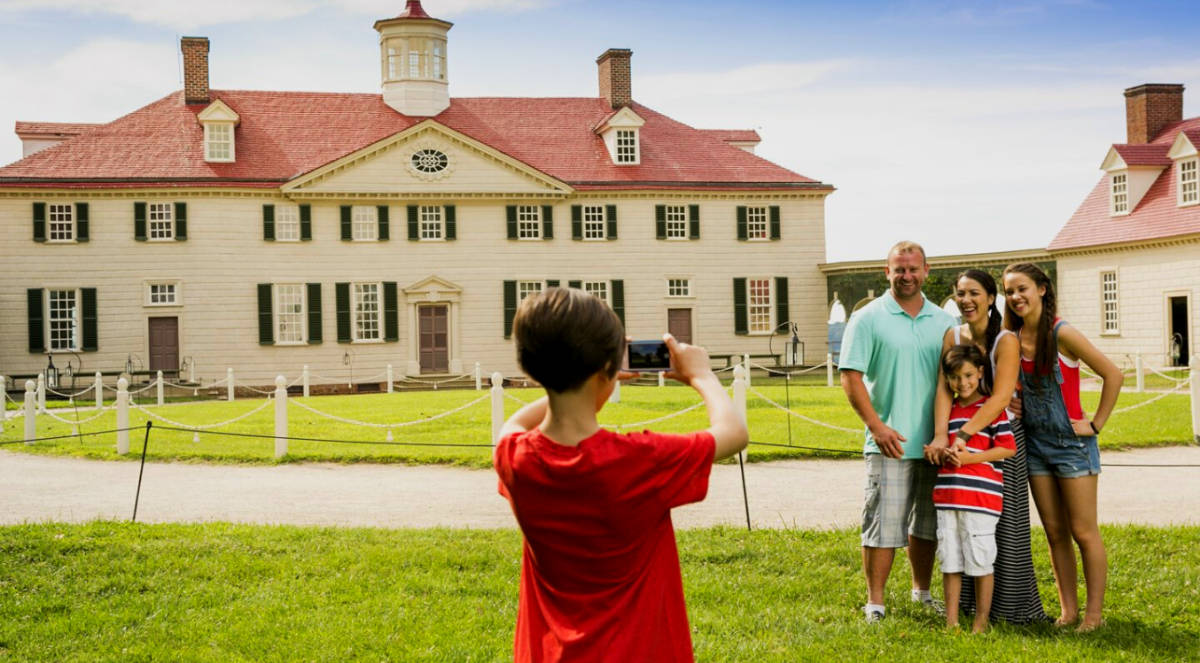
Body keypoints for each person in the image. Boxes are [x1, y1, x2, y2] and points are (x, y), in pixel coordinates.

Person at [493, 287, 748, 662]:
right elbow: (733, 433)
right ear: (605, 369)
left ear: (530, 367)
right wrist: (702, 376)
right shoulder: (639, 460)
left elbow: (512, 424)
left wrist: (599, 371)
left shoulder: (515, 457)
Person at [839, 240, 955, 623]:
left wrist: (943, 434)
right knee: (882, 525)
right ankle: (875, 602)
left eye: (913, 268)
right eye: (899, 269)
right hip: (887, 441)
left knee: (926, 525)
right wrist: (877, 426)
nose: (906, 276)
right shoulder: (869, 318)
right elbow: (851, 377)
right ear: (886, 272)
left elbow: (954, 380)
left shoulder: (944, 321)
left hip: (935, 442)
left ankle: (921, 592)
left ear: (927, 272)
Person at [1002, 262, 1122, 632]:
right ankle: (1068, 611)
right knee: (1054, 532)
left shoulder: (1062, 333)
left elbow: (1113, 374)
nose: (1016, 297)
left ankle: (1093, 615)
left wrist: (1096, 423)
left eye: (1022, 288)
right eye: (1009, 291)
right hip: (1036, 446)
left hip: (1072, 446)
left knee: (1084, 531)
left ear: (1041, 289)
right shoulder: (1013, 338)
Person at [925, 269, 1049, 624]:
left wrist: (963, 435)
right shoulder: (953, 335)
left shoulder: (1005, 339)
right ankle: (963, 608)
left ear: (991, 298)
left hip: (999, 440)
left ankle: (1008, 610)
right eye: (960, 293)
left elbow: (1000, 398)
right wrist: (940, 436)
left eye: (975, 293)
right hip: (959, 444)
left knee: (1003, 528)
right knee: (961, 527)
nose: (967, 300)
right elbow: (943, 388)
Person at [933, 344, 1016, 633]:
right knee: (950, 561)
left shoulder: (991, 409)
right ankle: (951, 621)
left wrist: (971, 458)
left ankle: (981, 621)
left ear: (980, 372)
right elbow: (943, 445)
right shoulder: (948, 411)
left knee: (981, 561)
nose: (963, 383)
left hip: (981, 500)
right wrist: (941, 453)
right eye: (955, 377)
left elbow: (1007, 448)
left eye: (968, 375)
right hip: (948, 497)